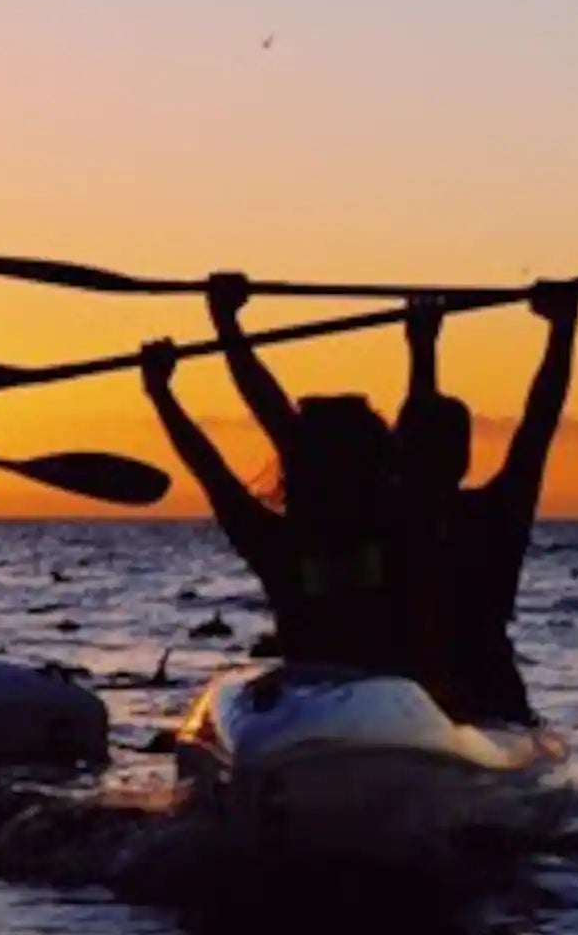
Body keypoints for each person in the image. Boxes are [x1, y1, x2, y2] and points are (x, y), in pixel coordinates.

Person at [141, 273, 404, 673]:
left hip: (334, 695)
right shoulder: (406, 525)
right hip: (389, 698)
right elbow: (275, 427)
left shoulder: (277, 546)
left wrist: (163, 391)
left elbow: (215, 467)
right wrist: (226, 325)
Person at [394, 284, 578, 724]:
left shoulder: (398, 513)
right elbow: (539, 421)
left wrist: (422, 347)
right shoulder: (498, 510)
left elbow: (540, 419)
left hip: (467, 698)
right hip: (467, 695)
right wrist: (563, 329)